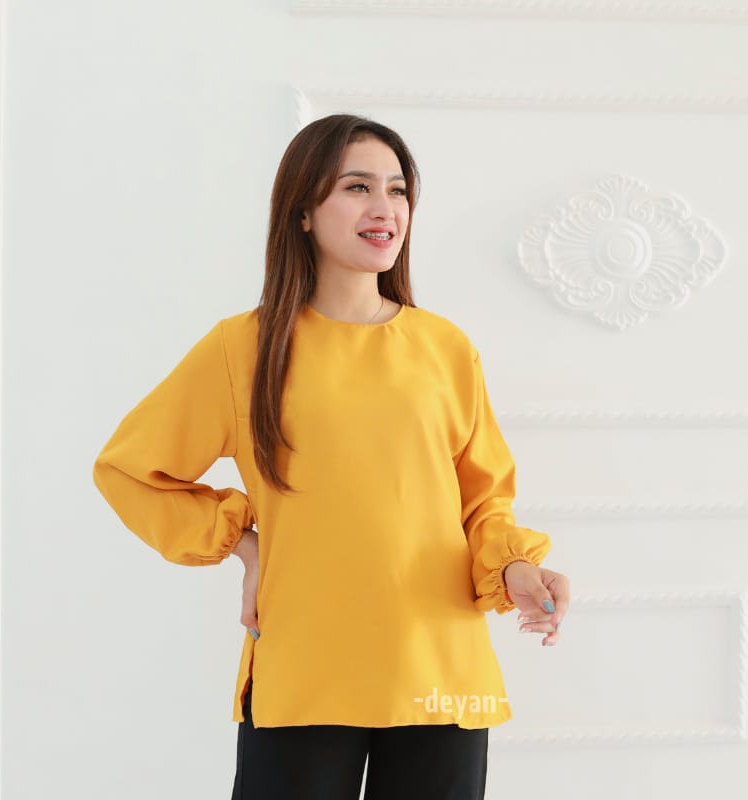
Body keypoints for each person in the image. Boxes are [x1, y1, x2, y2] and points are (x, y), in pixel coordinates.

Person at [92, 113, 571, 800]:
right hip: (305, 668)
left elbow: (482, 503)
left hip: (439, 668)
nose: (385, 208)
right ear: (303, 212)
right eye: (357, 187)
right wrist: (246, 546)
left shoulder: (445, 348)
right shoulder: (243, 348)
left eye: (398, 190)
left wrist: (517, 567)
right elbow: (129, 470)